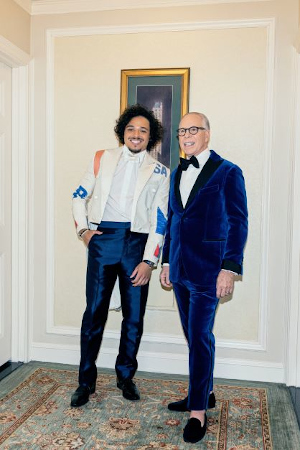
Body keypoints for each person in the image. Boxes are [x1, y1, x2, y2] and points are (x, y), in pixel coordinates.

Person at [71, 104, 169, 407]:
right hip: (104, 240)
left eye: (143, 130)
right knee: (94, 313)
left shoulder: (161, 171)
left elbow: (161, 218)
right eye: (131, 129)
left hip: (137, 246)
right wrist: (84, 232)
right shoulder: (102, 157)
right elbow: (78, 195)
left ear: (150, 136)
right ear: (122, 132)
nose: (136, 134)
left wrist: (149, 260)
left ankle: (125, 377)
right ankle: (85, 382)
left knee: (134, 316)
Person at [160, 112, 248, 443]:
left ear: (207, 135)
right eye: (181, 131)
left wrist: (230, 267)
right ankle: (205, 390)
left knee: (198, 337)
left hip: (210, 271)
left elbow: (238, 222)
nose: (186, 135)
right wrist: (167, 261)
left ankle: (198, 412)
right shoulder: (176, 173)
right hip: (180, 268)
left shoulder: (228, 172)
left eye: (193, 129)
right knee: (196, 335)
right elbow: (173, 219)